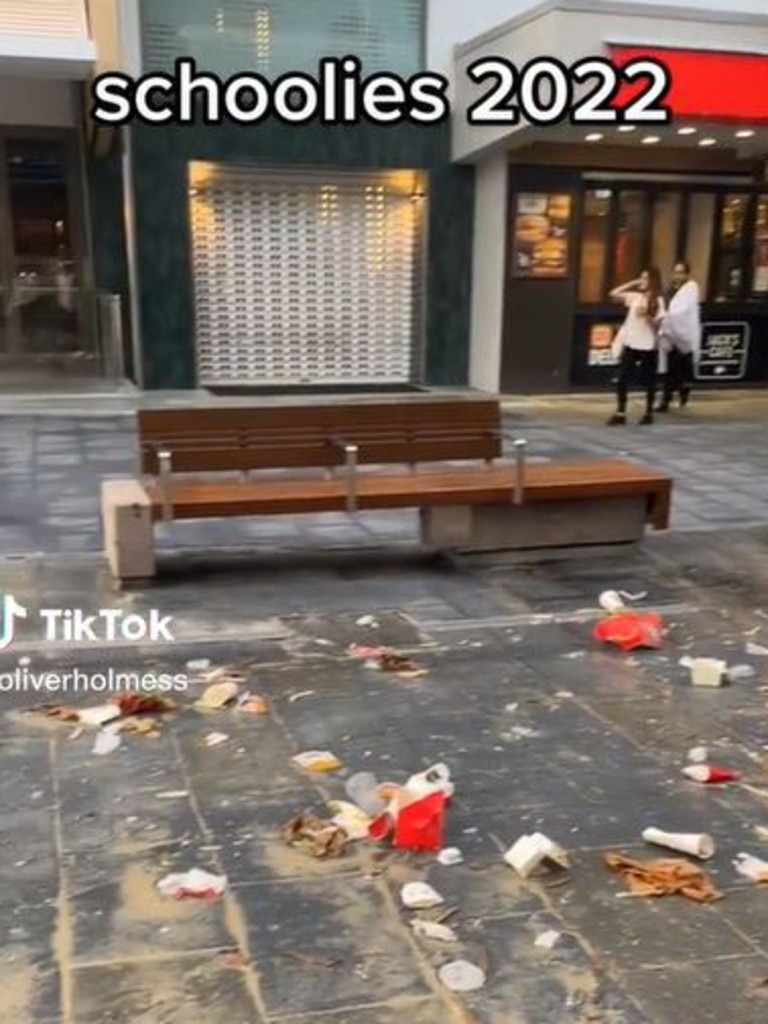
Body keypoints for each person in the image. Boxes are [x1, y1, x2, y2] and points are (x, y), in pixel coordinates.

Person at [606, 268, 666, 426]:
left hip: (648, 346)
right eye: (641, 277)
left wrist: (646, 315)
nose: (642, 281)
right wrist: (633, 282)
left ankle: (648, 412)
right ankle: (620, 412)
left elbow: (658, 327)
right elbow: (613, 293)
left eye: (645, 278)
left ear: (653, 281)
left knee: (648, 380)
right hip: (631, 343)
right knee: (622, 378)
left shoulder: (658, 300)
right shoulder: (636, 297)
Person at [656, 261, 701, 411]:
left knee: (683, 369)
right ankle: (665, 401)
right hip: (671, 335)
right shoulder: (669, 289)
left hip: (685, 335)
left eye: (681, 272)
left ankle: (683, 390)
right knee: (671, 370)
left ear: (687, 274)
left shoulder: (691, 288)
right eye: (675, 272)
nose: (677, 275)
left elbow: (682, 311)